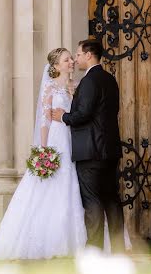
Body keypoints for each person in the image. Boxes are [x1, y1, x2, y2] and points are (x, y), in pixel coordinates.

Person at [0, 48, 87, 259]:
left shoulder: (74, 87)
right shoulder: (50, 88)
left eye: (72, 58)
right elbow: (44, 121)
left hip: (72, 140)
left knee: (72, 182)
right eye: (67, 59)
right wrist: (43, 150)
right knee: (52, 183)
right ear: (56, 66)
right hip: (56, 140)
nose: (71, 62)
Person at [51, 39, 126, 252]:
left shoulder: (90, 80)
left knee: (92, 200)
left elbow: (83, 114)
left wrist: (64, 116)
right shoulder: (109, 79)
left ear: (89, 55)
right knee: (112, 199)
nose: (76, 59)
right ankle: (118, 248)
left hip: (91, 151)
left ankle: (94, 250)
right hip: (110, 149)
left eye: (78, 54)